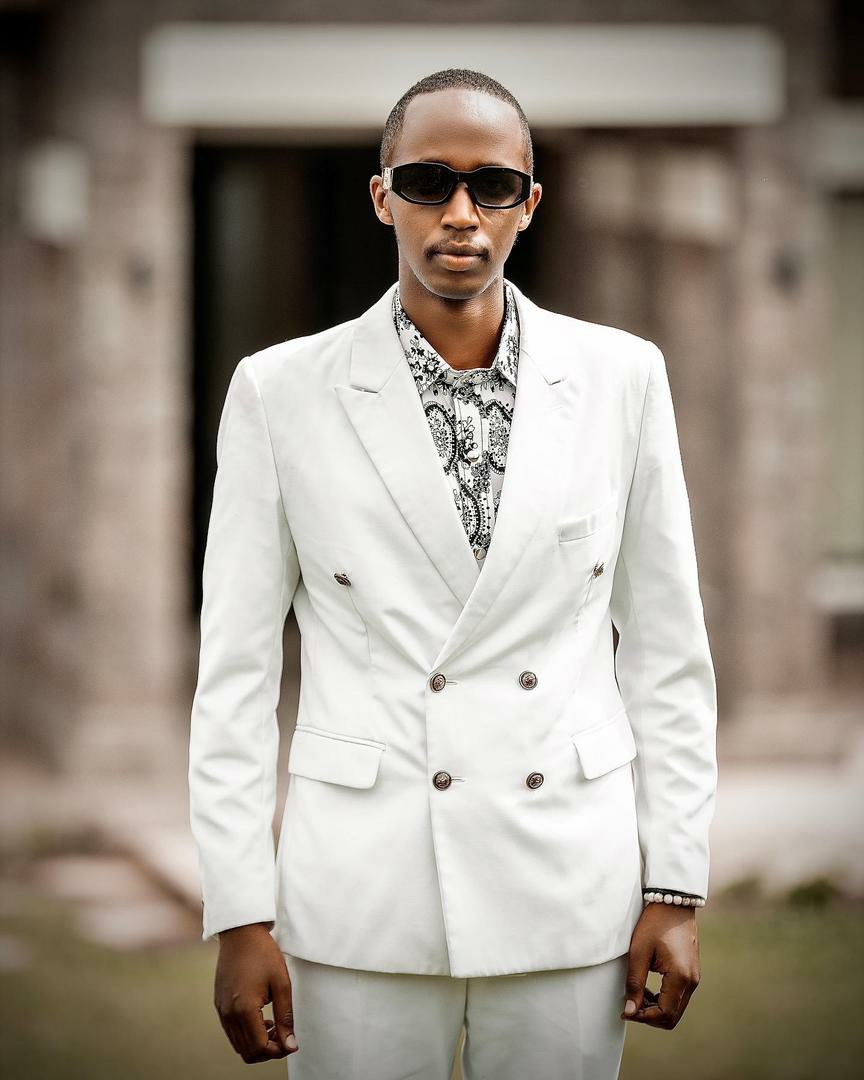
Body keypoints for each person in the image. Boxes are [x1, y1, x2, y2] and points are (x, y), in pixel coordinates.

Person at [188, 68, 718, 1079]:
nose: (461, 213)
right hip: (362, 896)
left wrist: (675, 885)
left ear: (531, 202)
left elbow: (668, 657)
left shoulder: (622, 378)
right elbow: (236, 680)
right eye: (428, 182)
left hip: (568, 882)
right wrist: (240, 911)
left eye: (494, 185)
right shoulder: (279, 392)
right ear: (382, 196)